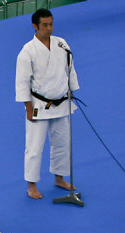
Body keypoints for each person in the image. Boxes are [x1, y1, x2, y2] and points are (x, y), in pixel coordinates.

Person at [15, 8, 79, 199]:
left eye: (51, 24)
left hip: (61, 102)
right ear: (35, 26)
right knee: (34, 147)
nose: (49, 28)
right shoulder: (27, 51)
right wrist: (28, 108)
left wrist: (72, 92)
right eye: (45, 25)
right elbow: (22, 82)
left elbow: (70, 70)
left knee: (62, 144)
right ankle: (31, 185)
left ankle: (59, 178)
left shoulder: (61, 44)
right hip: (39, 106)